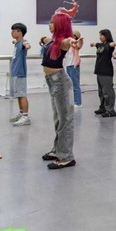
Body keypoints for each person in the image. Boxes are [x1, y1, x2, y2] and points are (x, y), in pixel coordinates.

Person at [41, 13, 77, 169]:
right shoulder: (53, 41)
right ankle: (58, 150)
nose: (49, 25)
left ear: (60, 25)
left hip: (60, 82)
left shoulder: (63, 42)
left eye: (52, 22)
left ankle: (66, 156)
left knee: (65, 119)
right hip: (52, 81)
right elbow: (48, 41)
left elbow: (68, 41)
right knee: (58, 118)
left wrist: (72, 41)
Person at [9, 23, 31, 126]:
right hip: (15, 72)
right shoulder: (17, 43)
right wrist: (15, 42)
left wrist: (27, 45)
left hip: (20, 73)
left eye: (14, 31)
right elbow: (17, 43)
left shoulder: (23, 42)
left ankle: (26, 117)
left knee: (22, 94)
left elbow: (27, 45)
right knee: (18, 95)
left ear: (20, 32)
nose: (11, 33)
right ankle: (21, 113)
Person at [91, 29, 116, 117]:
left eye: (102, 35)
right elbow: (96, 44)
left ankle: (110, 110)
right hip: (99, 71)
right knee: (101, 92)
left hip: (106, 71)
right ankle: (103, 108)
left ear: (106, 36)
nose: (100, 37)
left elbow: (113, 44)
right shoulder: (100, 45)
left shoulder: (109, 45)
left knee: (107, 92)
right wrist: (93, 44)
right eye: (100, 35)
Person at [65, 30, 84, 109]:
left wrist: (79, 40)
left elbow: (79, 44)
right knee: (69, 85)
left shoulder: (76, 44)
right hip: (68, 66)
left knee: (75, 85)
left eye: (73, 35)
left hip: (74, 66)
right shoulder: (68, 45)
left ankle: (78, 102)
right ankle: (72, 102)